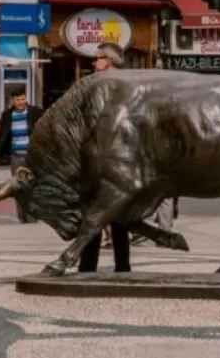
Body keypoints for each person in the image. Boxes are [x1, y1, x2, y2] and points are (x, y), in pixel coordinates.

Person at [79, 42, 131, 274]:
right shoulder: (127, 84)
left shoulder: (100, 84)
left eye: (97, 57)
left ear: (108, 60)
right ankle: (122, 266)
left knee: (94, 213)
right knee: (118, 216)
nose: (94, 62)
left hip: (103, 155)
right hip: (122, 157)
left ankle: (88, 266)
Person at [0, 87, 44, 223]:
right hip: (16, 157)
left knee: (32, 186)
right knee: (18, 187)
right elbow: (0, 136)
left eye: (22, 99)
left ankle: (32, 217)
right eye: (17, 100)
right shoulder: (7, 115)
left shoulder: (35, 112)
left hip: (31, 157)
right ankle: (23, 218)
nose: (20, 102)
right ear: (12, 101)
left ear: (26, 98)